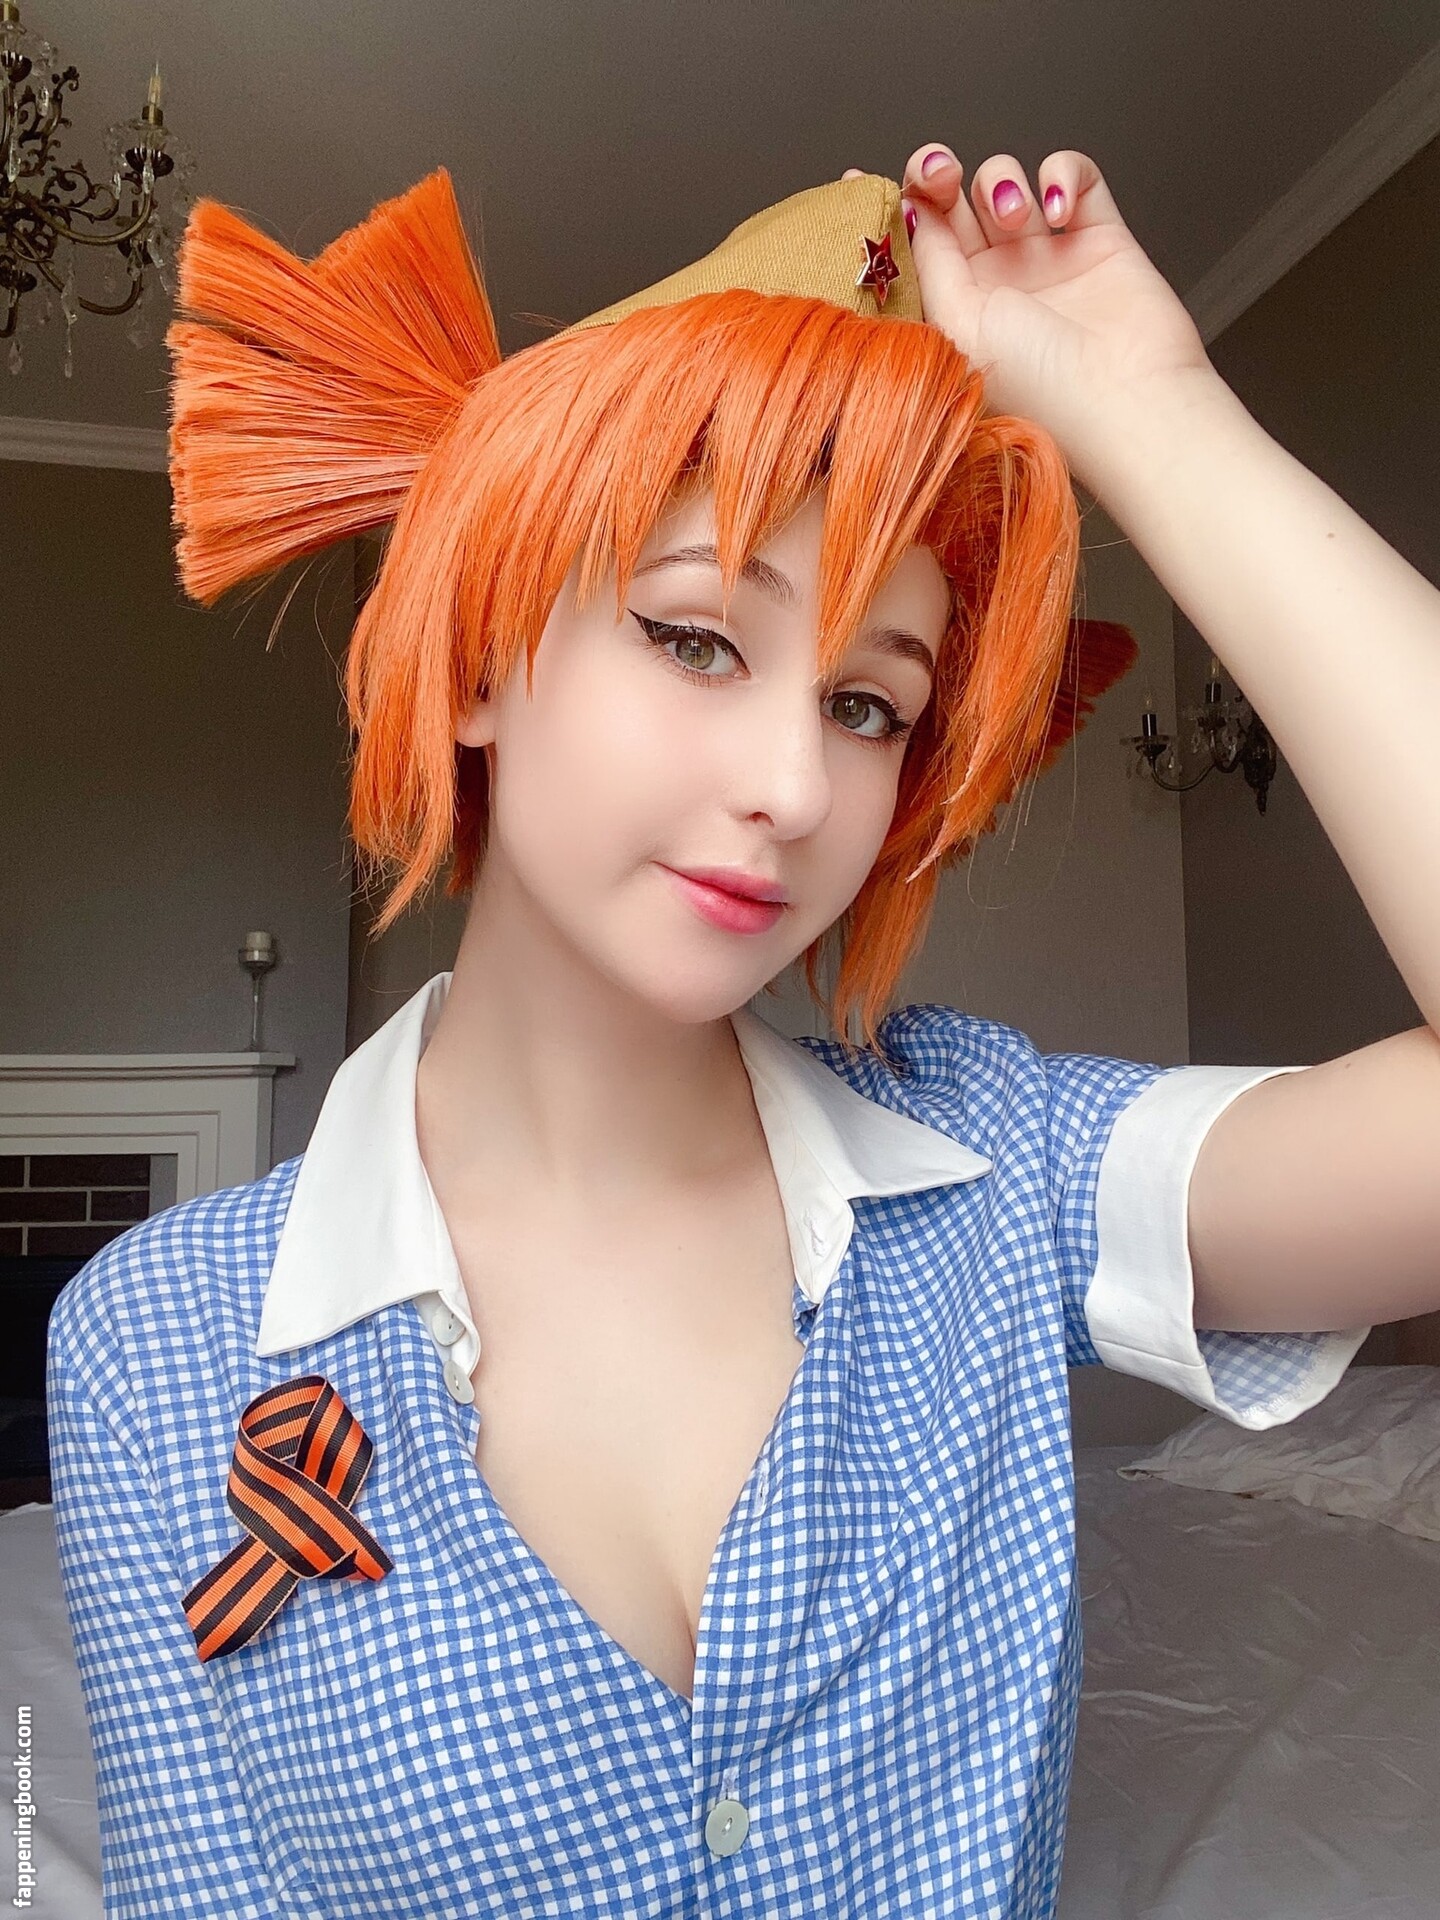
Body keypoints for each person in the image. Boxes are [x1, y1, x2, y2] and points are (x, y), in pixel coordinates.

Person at [44, 142, 1440, 1920]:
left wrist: (1155, 411)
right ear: (474, 660)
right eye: (700, 639)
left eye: (867, 706)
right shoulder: (152, 1344)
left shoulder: (998, 1168)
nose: (795, 786)